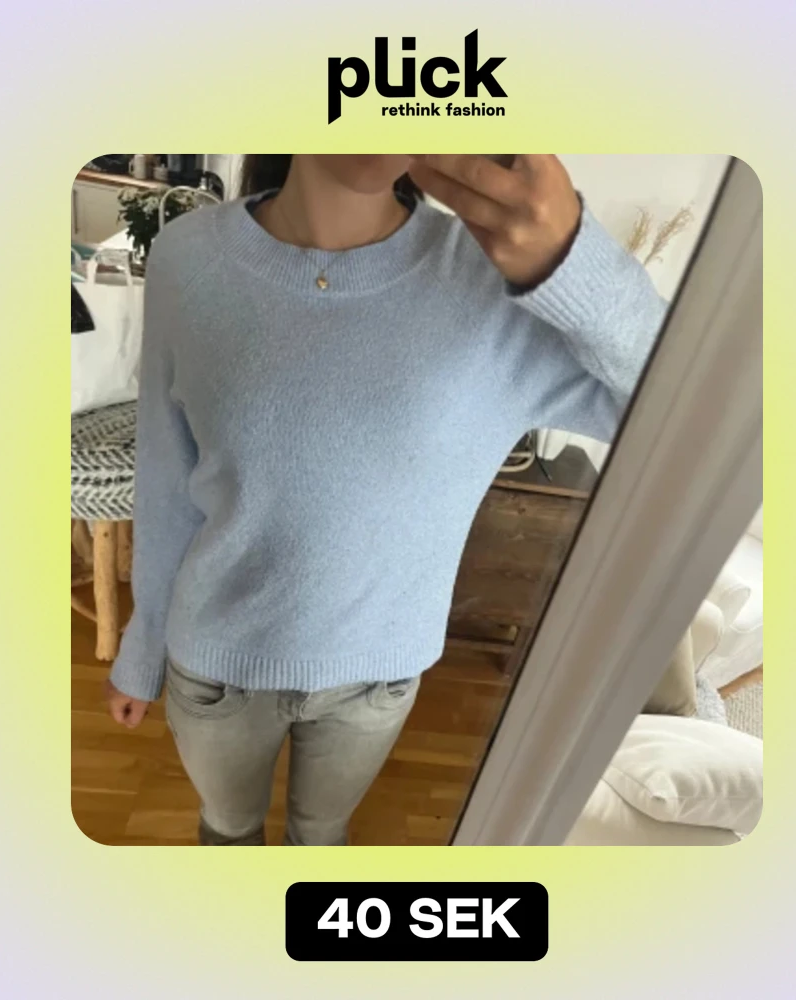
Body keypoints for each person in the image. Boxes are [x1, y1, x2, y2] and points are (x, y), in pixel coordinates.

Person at [104, 154, 667, 845]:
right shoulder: (189, 257)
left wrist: (575, 266)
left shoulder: (493, 284)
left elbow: (696, 414)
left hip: (378, 677)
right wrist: (141, 652)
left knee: (323, 841)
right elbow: (165, 477)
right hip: (217, 664)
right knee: (228, 833)